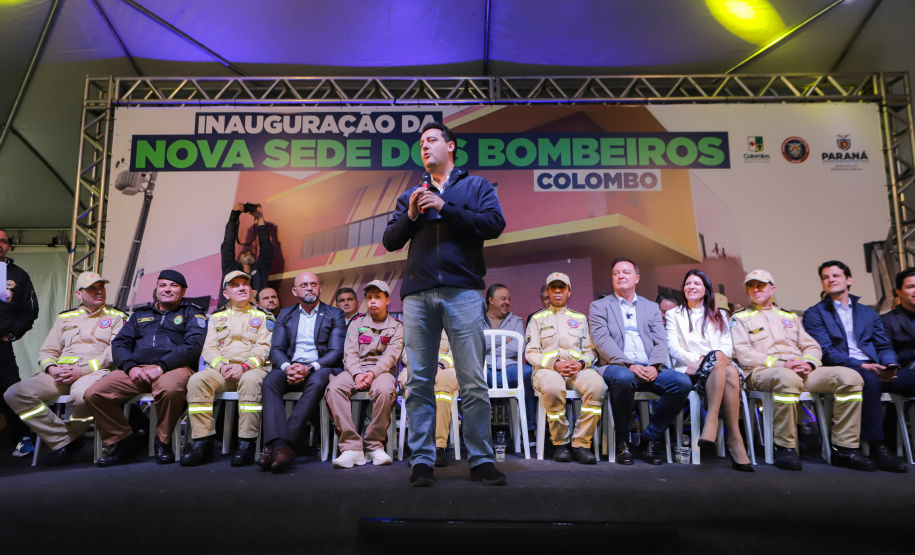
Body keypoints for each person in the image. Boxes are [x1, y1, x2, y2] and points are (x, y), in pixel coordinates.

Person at [382, 121, 507, 487]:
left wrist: (445, 206)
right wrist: (411, 216)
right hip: (418, 295)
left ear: (450, 146)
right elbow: (390, 241)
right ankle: (422, 459)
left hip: (463, 291)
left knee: (472, 380)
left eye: (431, 140)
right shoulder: (409, 196)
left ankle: (481, 459)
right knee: (418, 381)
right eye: (421, 142)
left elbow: (494, 224)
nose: (424, 146)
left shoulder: (477, 186)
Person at [731, 269, 872, 471]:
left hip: (800, 371)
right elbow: (744, 354)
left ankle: (845, 449)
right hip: (762, 372)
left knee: (850, 378)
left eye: (760, 285)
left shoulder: (789, 316)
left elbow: (811, 346)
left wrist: (809, 363)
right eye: (751, 285)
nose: (755, 289)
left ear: (773, 288)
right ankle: (785, 447)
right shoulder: (740, 318)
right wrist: (783, 364)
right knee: (787, 378)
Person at [85, 270, 206, 466]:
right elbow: (120, 343)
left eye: (173, 286)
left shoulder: (192, 313)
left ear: (183, 291)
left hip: (174, 368)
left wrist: (161, 367)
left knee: (170, 390)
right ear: (156, 289)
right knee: (95, 393)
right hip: (137, 369)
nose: (167, 289)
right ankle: (125, 441)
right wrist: (131, 367)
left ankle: (163, 441)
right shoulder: (140, 315)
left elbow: (193, 346)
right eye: (162, 285)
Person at [4, 272, 125, 466]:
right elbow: (47, 350)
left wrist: (82, 370)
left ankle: (64, 442)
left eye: (101, 287)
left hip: (94, 372)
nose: (98, 291)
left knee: (81, 396)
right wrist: (51, 368)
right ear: (79, 293)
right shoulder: (65, 317)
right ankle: (64, 439)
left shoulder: (117, 317)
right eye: (92, 288)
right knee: (15, 393)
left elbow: (115, 353)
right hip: (61, 372)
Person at [803, 260, 911, 472]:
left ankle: (887, 441)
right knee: (867, 379)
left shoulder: (868, 312)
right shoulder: (814, 313)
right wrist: (862, 365)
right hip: (846, 367)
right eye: (825, 277)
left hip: (876, 367)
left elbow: (883, 344)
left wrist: (890, 364)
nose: (830, 280)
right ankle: (877, 447)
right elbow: (826, 351)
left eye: (835, 275)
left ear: (848, 279)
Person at [590, 257, 691, 466]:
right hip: (616, 367)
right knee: (624, 378)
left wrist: (654, 367)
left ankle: (650, 438)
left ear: (636, 278)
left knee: (682, 383)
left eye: (625, 272)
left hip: (648, 366)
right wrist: (630, 365)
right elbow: (602, 342)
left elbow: (660, 342)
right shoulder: (599, 306)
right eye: (616, 273)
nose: (620, 276)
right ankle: (623, 442)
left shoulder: (651, 307)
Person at [180, 271, 274, 467]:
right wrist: (222, 366)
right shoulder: (216, 317)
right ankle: (202, 443)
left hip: (253, 368)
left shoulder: (264, 316)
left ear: (251, 289)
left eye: (245, 284)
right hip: (224, 370)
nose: (241, 288)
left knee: (249, 381)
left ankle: (246, 444)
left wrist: (244, 366)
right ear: (226, 293)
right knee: (197, 380)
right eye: (235, 285)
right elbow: (209, 348)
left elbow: (264, 348)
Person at [257, 271, 345, 473]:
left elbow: (336, 351)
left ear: (320, 288)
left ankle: (279, 446)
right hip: (292, 366)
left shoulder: (334, 314)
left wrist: (310, 367)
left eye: (313, 284)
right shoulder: (285, 315)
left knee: (317, 380)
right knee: (270, 381)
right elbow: (277, 349)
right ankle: (282, 446)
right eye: (304, 285)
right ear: (295, 291)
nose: (309, 288)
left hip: (320, 368)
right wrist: (288, 367)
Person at [664, 270, 752, 471]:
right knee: (725, 367)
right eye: (688, 283)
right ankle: (735, 440)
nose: (691, 287)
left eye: (697, 283)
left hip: (719, 367)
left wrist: (708, 360)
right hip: (690, 371)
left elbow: (727, 347)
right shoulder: (674, 314)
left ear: (706, 290)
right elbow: (673, 348)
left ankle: (711, 421)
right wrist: (701, 361)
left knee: (723, 363)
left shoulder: (719, 314)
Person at [526, 273, 604, 464]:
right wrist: (555, 364)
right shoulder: (537, 319)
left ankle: (581, 444)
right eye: (553, 287)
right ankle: (560, 442)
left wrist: (580, 364)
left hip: (577, 370)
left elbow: (590, 351)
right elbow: (531, 353)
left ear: (569, 291)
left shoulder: (580, 318)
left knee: (598, 387)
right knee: (553, 388)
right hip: (548, 371)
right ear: (548, 291)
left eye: (562, 287)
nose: (558, 290)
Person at [326, 280, 402, 468]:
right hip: (355, 370)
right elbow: (349, 351)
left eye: (378, 297)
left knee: (385, 390)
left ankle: (374, 446)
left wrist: (371, 373)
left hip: (382, 371)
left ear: (387, 300)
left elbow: (391, 356)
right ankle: (352, 448)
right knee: (334, 388)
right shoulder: (356, 322)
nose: (373, 301)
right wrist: (358, 374)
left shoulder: (397, 326)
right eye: (369, 298)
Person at [0, 227, 39, 456]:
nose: (0, 245)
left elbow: (29, 310)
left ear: (9, 246)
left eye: (3, 241)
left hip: (2, 345)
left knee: (12, 391)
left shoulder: (18, 275)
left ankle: (22, 440)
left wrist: (12, 334)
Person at [398, 330, 458, 468]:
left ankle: (439, 447)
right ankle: (419, 447)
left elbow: (457, 351)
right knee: (414, 383)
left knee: (443, 381)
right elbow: (407, 353)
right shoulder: (418, 321)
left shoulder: (451, 322)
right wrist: (425, 366)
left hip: (447, 369)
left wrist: (441, 365)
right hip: (417, 367)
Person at [484, 283, 535, 434]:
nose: (507, 302)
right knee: (468, 376)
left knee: (528, 373)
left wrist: (489, 348)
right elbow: (475, 345)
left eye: (509, 299)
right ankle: (477, 432)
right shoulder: (477, 321)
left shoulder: (516, 321)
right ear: (491, 300)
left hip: (509, 369)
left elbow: (518, 348)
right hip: (484, 369)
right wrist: (502, 338)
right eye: (503, 298)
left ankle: (530, 429)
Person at [221, 203, 274, 304]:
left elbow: (267, 248)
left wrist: (260, 218)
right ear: (237, 259)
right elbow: (227, 245)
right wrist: (233, 217)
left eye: (251, 253)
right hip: (231, 314)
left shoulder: (260, 269)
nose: (249, 252)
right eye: (244, 252)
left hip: (256, 316)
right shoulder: (230, 268)